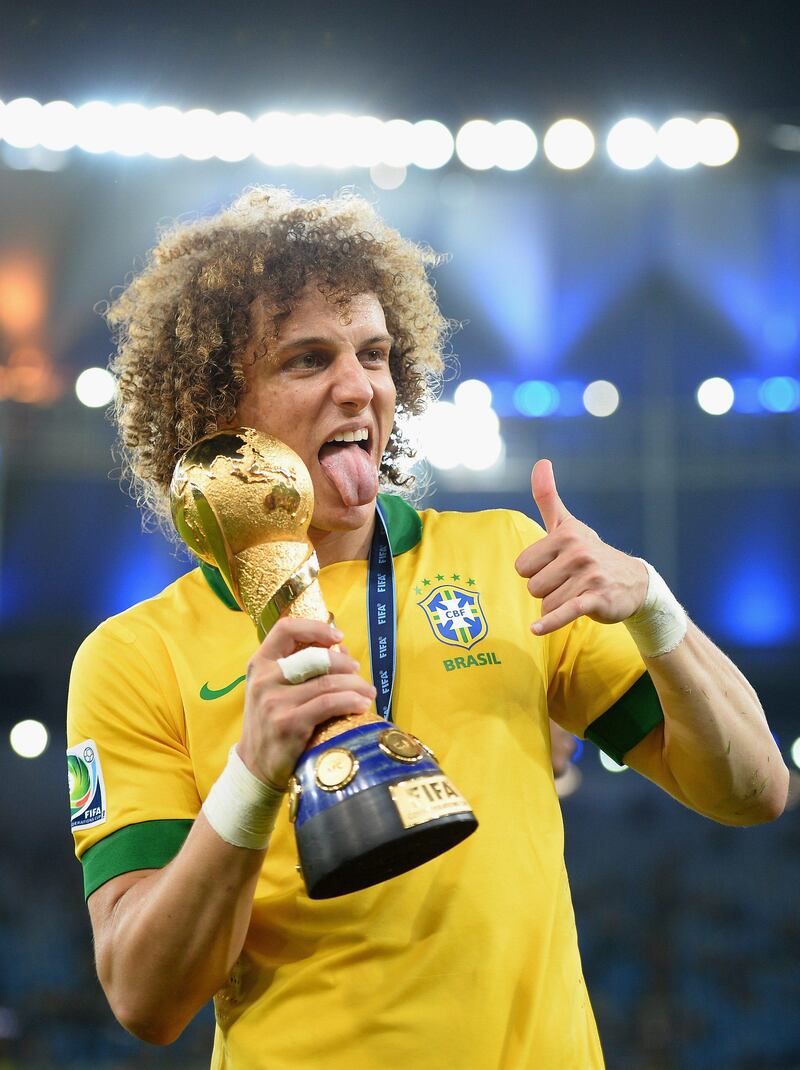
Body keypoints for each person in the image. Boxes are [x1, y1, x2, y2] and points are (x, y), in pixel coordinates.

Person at [67, 187, 788, 1070]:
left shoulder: (511, 561)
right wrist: (252, 778)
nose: (358, 386)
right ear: (216, 409)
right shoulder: (133, 656)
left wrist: (654, 607)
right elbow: (144, 996)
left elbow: (752, 791)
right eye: (306, 359)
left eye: (374, 353)